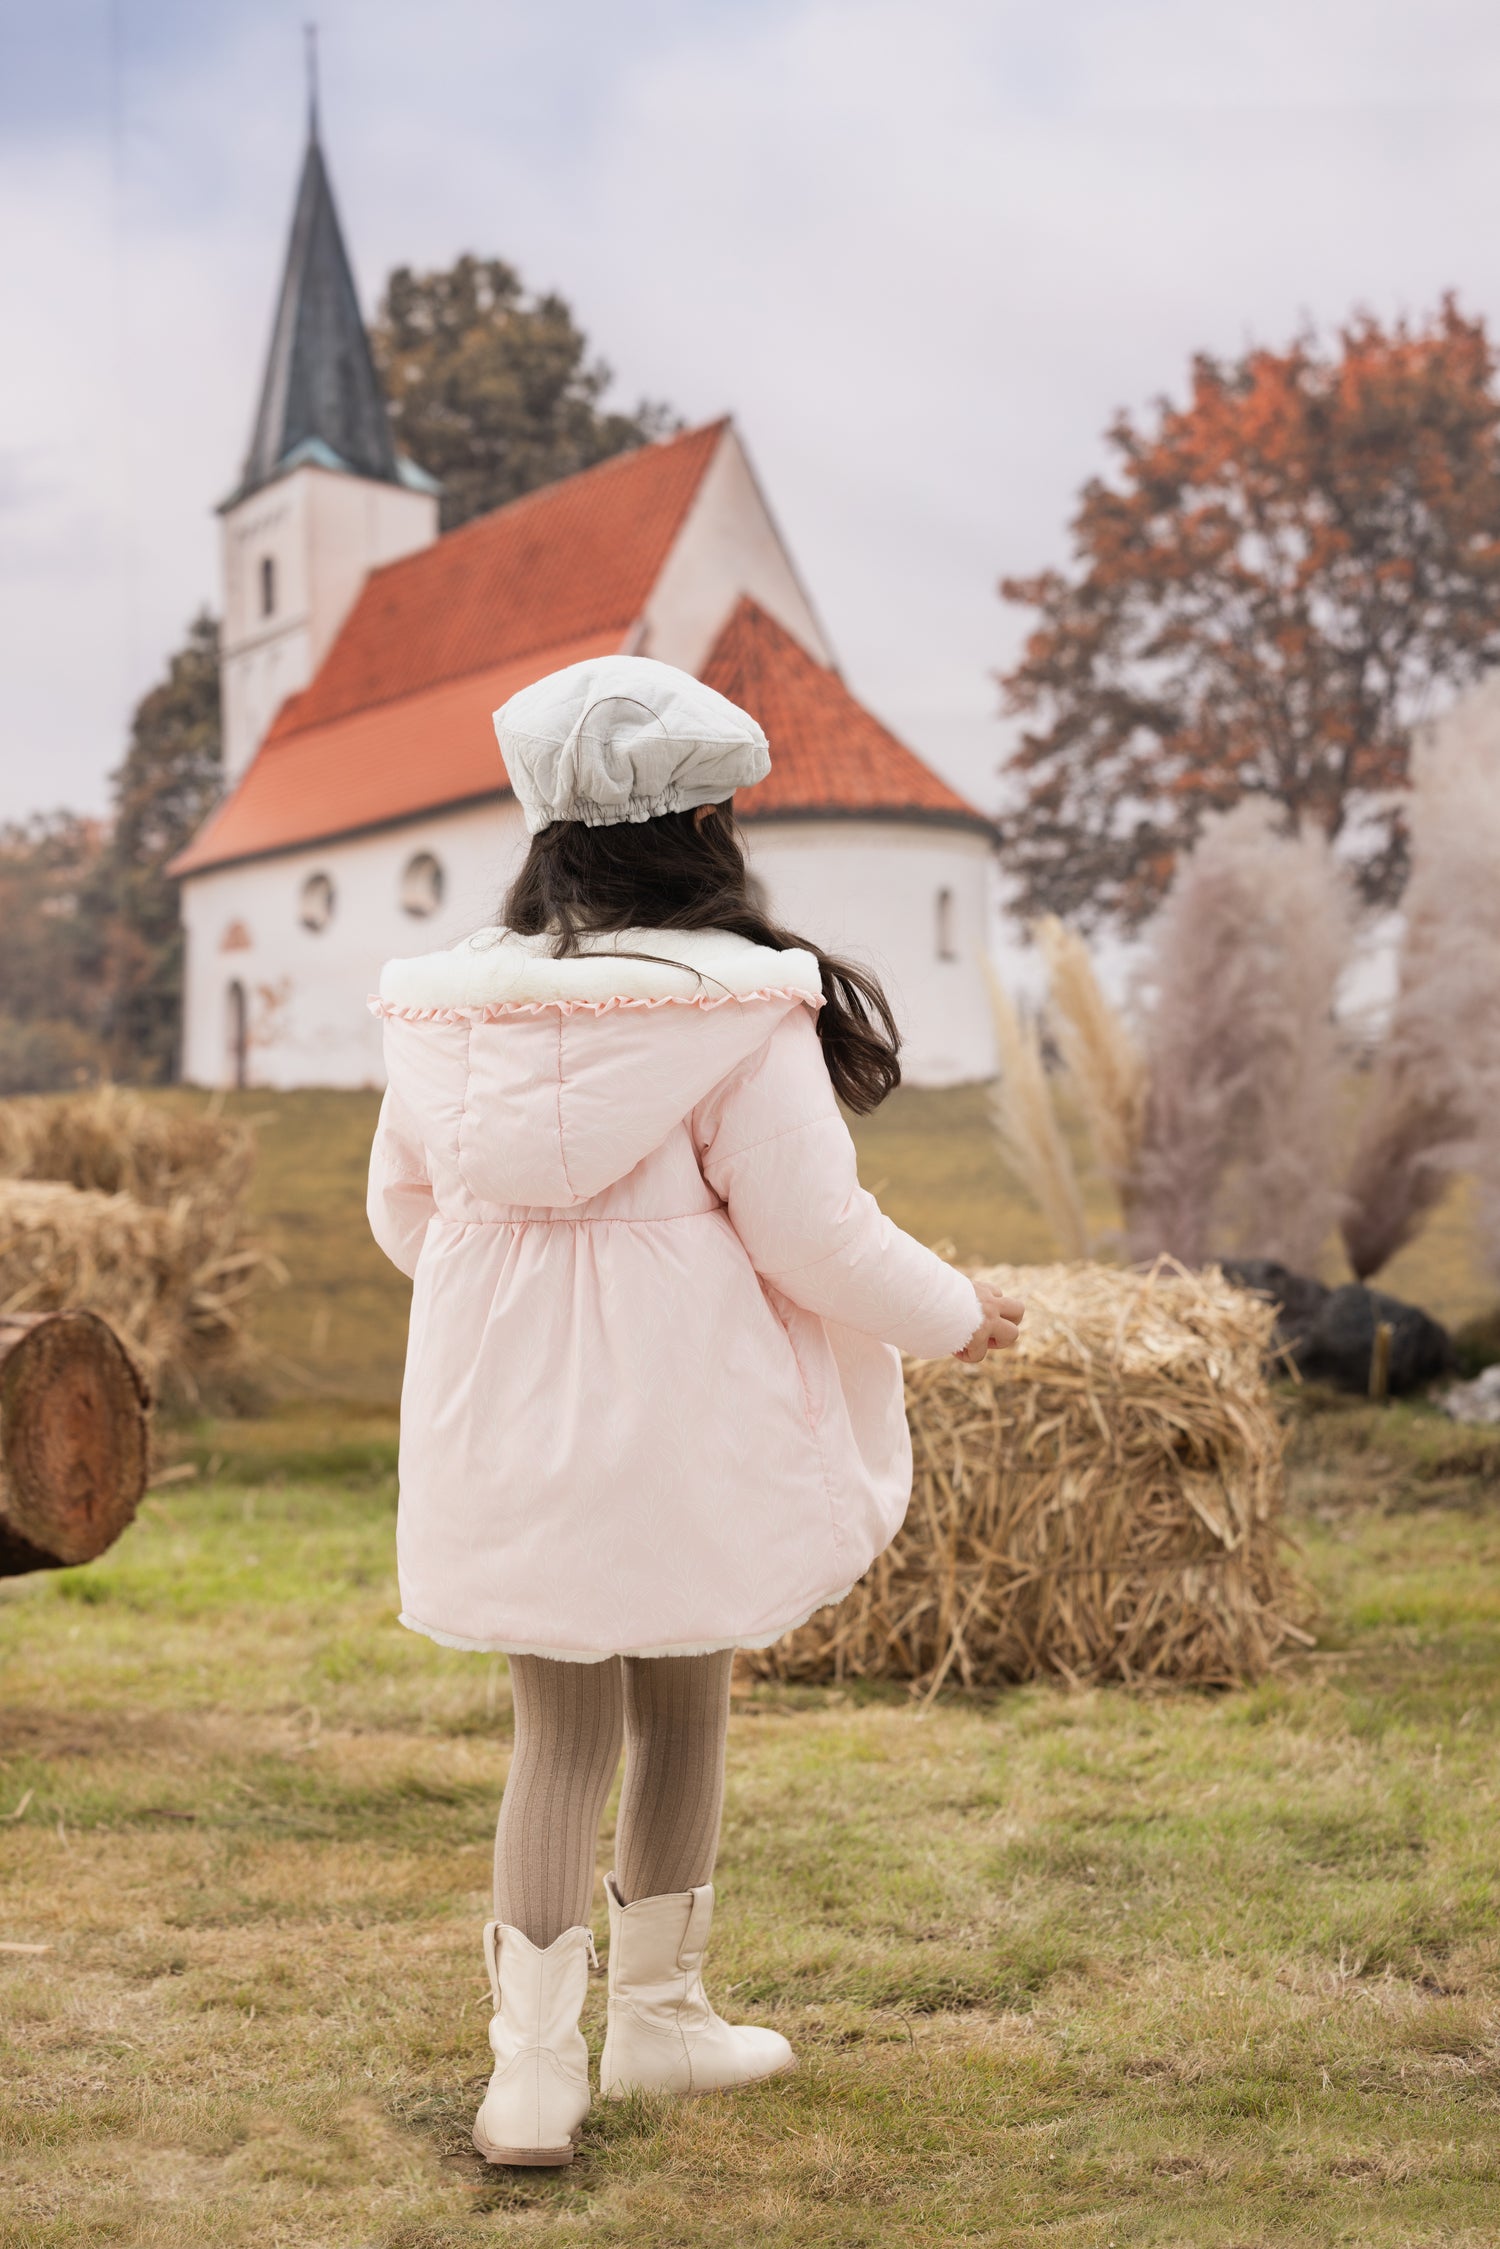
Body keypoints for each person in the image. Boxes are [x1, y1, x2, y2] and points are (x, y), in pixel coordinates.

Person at [367, 653, 1024, 2167]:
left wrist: (520, 1313)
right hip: (681, 1419)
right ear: (707, 824)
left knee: (558, 1731)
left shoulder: (450, 1015)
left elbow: (406, 1216)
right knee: (684, 1697)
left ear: (545, 825)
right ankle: (660, 2013)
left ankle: (532, 2071)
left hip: (506, 1428)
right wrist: (958, 1312)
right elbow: (817, 1237)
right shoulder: (734, 1010)